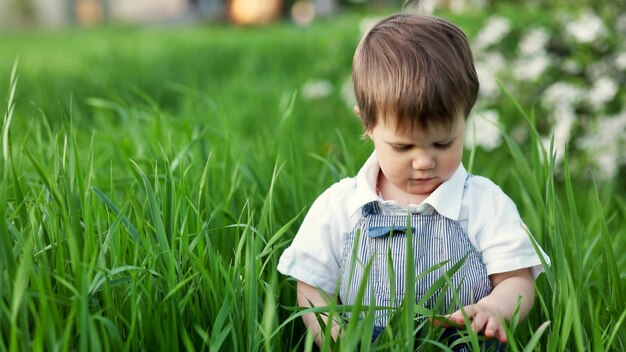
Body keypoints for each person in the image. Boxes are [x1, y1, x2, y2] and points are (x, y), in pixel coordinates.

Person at [277, 13, 550, 348]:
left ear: (464, 119)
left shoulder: (483, 203)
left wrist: (494, 307)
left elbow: (517, 280)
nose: (423, 161)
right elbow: (311, 285)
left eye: (443, 143)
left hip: (461, 340)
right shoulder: (341, 207)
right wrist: (332, 333)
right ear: (367, 124)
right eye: (403, 147)